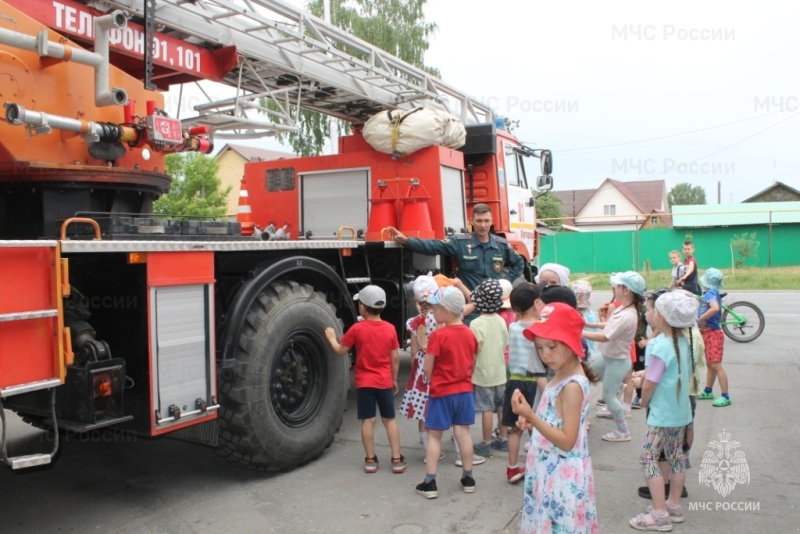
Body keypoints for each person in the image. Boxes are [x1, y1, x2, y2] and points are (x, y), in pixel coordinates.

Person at [512, 302, 601, 533]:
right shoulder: (562, 371)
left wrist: (530, 414)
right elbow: (555, 420)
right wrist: (531, 420)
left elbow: (567, 440)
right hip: (549, 468)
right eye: (540, 348)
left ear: (572, 343)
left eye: (552, 346)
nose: (545, 354)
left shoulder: (572, 385)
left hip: (562, 475)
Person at [629, 290, 697, 531]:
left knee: (649, 458)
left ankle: (659, 513)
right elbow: (672, 373)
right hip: (681, 413)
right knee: (676, 456)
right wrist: (646, 375)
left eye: (652, 310)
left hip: (662, 415)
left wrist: (642, 399)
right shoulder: (684, 342)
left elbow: (651, 383)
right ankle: (673, 505)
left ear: (663, 318)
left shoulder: (657, 345)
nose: (649, 313)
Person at [324, 285, 406, 474]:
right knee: (390, 420)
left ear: (362, 307)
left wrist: (331, 338)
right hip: (384, 381)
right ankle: (396, 459)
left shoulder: (357, 329)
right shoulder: (390, 329)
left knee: (368, 421)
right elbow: (394, 358)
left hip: (365, 383)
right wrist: (394, 379)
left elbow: (340, 351)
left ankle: (370, 459)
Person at [415, 287, 479, 499]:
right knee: (463, 434)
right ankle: (468, 477)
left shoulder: (438, 336)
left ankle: (430, 482)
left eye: (435, 309)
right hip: (464, 391)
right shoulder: (470, 333)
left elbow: (427, 367)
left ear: (447, 312)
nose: (432, 312)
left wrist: (432, 379)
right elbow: (473, 360)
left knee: (434, 436)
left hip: (442, 392)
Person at [386, 202, 524, 300]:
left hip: (495, 304)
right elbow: (433, 246)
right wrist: (407, 241)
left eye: (486, 221)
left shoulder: (502, 245)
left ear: (491, 221)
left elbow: (519, 264)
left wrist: (505, 283)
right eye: (479, 221)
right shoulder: (460, 242)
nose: (483, 225)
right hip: (469, 304)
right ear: (472, 221)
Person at [582, 271, 646, 442]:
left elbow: (605, 336)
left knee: (609, 396)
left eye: (617, 285)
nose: (614, 288)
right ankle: (614, 392)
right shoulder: (625, 309)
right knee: (584, 372)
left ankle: (622, 431)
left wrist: (580, 331)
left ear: (626, 291)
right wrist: (589, 323)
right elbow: (609, 325)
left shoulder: (627, 315)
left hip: (617, 361)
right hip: (610, 357)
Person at [503, 283, 545, 484]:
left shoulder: (512, 326)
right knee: (536, 428)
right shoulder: (541, 328)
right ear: (537, 303)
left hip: (515, 383)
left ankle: (512, 469)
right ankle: (538, 469)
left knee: (515, 429)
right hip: (536, 382)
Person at [399, 274, 442, 461]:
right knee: (436, 410)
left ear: (417, 300)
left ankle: (427, 451)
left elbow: (414, 352)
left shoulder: (414, 322)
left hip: (420, 374)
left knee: (422, 413)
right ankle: (436, 447)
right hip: (438, 369)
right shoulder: (441, 320)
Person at [468, 280, 509, 457]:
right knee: (501, 407)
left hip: (483, 373)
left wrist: (469, 370)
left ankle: (485, 442)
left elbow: (474, 350)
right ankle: (503, 438)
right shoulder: (501, 320)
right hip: (500, 372)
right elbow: (505, 342)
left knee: (486, 409)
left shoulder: (476, 324)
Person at [697, 268, 730, 407]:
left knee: (716, 365)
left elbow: (715, 308)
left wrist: (701, 317)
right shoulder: (712, 292)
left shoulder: (710, 293)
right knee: (710, 364)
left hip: (713, 333)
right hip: (708, 332)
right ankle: (708, 390)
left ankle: (725, 395)